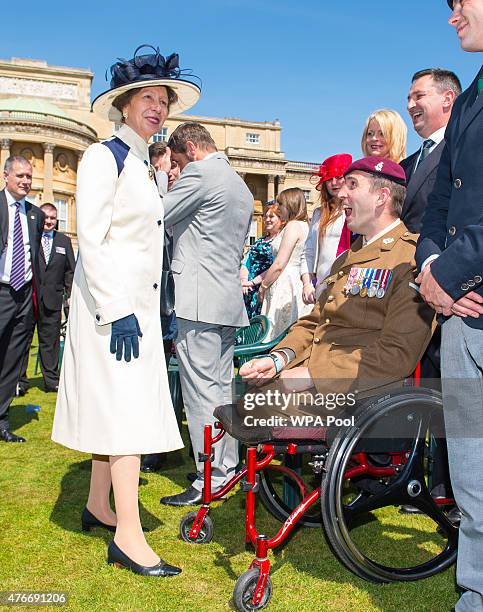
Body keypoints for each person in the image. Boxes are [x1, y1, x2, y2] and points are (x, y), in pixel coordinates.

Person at [52, 45, 201, 576]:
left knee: (118, 411)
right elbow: (91, 239)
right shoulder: (104, 156)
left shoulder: (142, 162)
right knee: (128, 419)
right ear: (125, 104)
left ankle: (98, 503)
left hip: (134, 309)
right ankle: (130, 538)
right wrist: (118, 310)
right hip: (111, 314)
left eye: (164, 100)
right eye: (148, 98)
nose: (158, 107)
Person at [240, 157, 434, 407]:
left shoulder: (410, 258)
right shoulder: (348, 257)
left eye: (352, 185)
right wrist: (278, 358)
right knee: (247, 400)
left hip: (361, 397)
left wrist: (313, 376)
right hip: (321, 387)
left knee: (251, 407)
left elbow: (397, 352)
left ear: (382, 196)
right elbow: (315, 322)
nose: (341, 193)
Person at [416, 3, 483, 609]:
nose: (452, 15)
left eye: (460, 2)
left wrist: (456, 272)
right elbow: (440, 203)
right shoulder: (469, 100)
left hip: (469, 293)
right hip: (463, 317)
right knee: (469, 464)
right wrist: (433, 270)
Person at [157, 122, 253, 507]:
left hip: (198, 301)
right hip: (227, 300)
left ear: (193, 149)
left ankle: (208, 477)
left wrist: (163, 178)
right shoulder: (240, 184)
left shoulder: (200, 172)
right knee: (221, 391)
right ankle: (224, 469)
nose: (177, 169)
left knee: (199, 395)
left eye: (178, 161)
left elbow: (157, 213)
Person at [140, 140, 181, 475]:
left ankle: (159, 446)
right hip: (150, 298)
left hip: (170, 302)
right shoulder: (151, 191)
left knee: (163, 376)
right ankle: (147, 442)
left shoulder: (179, 194)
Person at [0, 156, 44, 443]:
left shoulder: (35, 214)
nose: (25, 181)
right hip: (1, 290)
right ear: (6, 176)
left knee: (13, 362)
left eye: (28, 176)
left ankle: (1, 420)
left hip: (24, 295)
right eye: (20, 176)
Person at [19, 203, 75, 393]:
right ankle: (20, 382)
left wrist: (70, 296)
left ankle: (52, 381)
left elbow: (70, 272)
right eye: (46, 217)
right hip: (29, 299)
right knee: (23, 341)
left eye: (53, 218)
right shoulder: (29, 238)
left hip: (53, 300)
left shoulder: (64, 241)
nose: (49, 221)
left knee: (49, 343)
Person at [401, 68, 461, 233]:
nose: (409, 106)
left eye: (419, 96)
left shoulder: (461, 151)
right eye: (408, 99)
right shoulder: (405, 165)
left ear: (447, 99)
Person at [259, 188, 312, 342]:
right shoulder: (304, 225)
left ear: (289, 204)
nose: (279, 208)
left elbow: (280, 263)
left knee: (278, 332)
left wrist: (263, 286)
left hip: (285, 281)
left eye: (281, 204)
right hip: (294, 279)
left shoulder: (293, 225)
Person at [301, 153, 353, 304]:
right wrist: (307, 283)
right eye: (329, 179)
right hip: (322, 284)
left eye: (338, 177)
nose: (334, 183)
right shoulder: (319, 213)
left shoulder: (356, 210)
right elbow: (308, 251)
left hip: (348, 283)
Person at [240, 204, 283, 318]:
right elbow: (246, 262)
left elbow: (275, 267)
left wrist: (254, 282)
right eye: (265, 216)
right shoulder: (260, 240)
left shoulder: (280, 242)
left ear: (281, 220)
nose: (267, 219)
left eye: (271, 216)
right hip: (248, 289)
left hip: (264, 287)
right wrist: (244, 281)